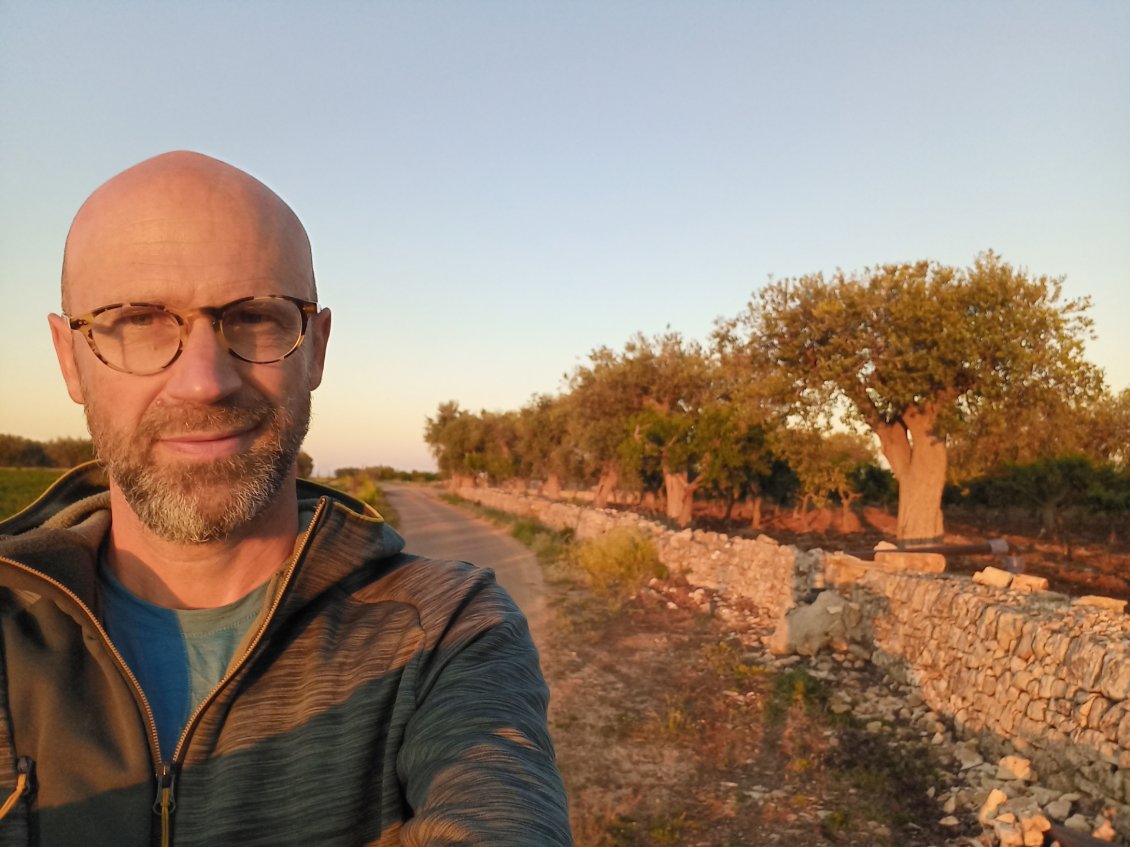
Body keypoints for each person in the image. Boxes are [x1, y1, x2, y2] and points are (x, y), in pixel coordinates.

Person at [0, 151, 572, 846]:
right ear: (70, 358)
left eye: (255, 318)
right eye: (140, 321)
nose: (204, 382)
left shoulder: (447, 633)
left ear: (317, 348)